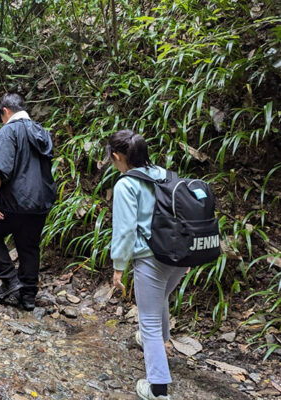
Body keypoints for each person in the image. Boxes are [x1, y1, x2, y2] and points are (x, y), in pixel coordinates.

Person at [109, 129, 184, 400]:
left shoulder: (126, 184)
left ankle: (158, 389)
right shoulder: (164, 174)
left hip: (151, 259)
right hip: (178, 256)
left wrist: (119, 266)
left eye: (113, 159)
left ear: (117, 156)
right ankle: (158, 341)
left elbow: (126, 230)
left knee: (148, 321)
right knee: (161, 297)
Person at [0, 93, 56, 311]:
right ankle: (28, 295)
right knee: (29, 246)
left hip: (13, 200)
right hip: (40, 201)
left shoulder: (9, 131)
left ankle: (10, 279)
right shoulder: (42, 131)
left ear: (5, 111)